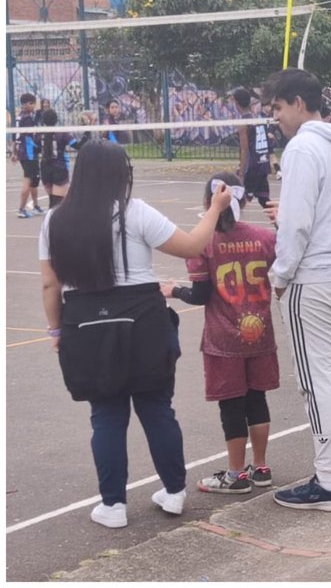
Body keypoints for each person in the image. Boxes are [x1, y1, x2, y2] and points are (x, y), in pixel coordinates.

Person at [40, 141, 234, 528]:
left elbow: (49, 285)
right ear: (121, 175)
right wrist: (215, 208)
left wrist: (57, 330)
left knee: (106, 415)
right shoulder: (136, 213)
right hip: (144, 320)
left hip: (87, 321)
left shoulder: (56, 220)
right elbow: (193, 245)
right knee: (156, 407)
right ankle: (174, 491)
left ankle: (112, 505)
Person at [260, 70, 331, 510]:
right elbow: (320, 211)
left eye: (277, 108)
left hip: (316, 277)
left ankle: (328, 481)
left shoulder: (304, 147)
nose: (276, 118)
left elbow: (299, 222)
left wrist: (281, 274)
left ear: (297, 103)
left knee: (317, 379)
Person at [161, 173, 279, 494]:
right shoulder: (264, 238)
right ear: (243, 201)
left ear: (207, 202)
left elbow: (200, 295)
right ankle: (262, 465)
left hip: (224, 336)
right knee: (257, 397)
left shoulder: (203, 244)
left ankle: (236, 474)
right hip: (260, 332)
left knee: (231, 403)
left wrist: (173, 290)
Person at [232, 87, 272, 206]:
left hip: (252, 168)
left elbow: (245, 149)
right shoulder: (258, 119)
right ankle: (280, 224)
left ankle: (227, 224)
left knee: (237, 200)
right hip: (262, 164)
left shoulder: (244, 123)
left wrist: (242, 172)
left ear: (237, 103)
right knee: (264, 200)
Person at [12, 92, 44, 217]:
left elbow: (15, 137)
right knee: (28, 179)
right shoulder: (27, 118)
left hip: (24, 153)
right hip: (28, 153)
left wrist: (14, 152)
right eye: (33, 104)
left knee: (34, 179)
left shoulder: (20, 117)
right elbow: (32, 136)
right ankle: (21, 209)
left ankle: (36, 206)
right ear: (27, 104)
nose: (34, 106)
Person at [39, 108, 72, 208]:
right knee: (57, 203)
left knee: (52, 201)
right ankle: (54, 222)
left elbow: (35, 148)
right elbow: (79, 145)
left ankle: (48, 222)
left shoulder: (38, 133)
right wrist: (86, 129)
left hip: (44, 168)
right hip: (59, 168)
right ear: (56, 119)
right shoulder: (62, 133)